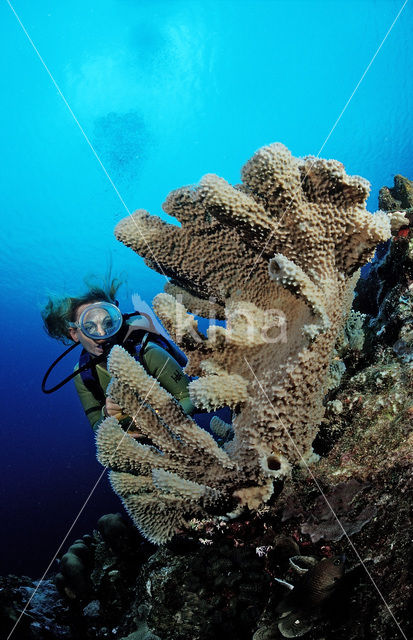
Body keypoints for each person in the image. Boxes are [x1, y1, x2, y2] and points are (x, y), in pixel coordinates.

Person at [41, 278, 197, 435]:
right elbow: (97, 426)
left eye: (108, 324)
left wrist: (156, 427)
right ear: (74, 333)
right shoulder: (82, 374)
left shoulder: (146, 352)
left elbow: (189, 397)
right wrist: (107, 414)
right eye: (90, 327)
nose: (101, 335)